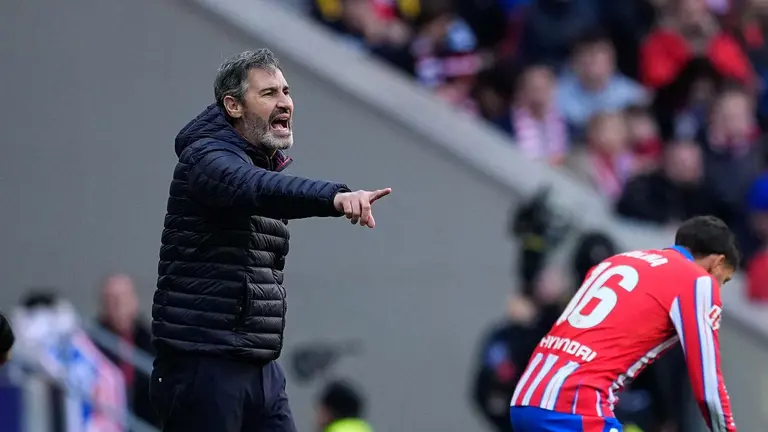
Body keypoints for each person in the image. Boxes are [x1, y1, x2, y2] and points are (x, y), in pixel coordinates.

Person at [150, 48, 391, 432]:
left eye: (286, 91)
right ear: (233, 106)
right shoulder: (205, 158)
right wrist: (335, 197)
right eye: (269, 94)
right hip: (205, 364)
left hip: (259, 365)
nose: (285, 103)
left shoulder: (258, 162)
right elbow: (256, 189)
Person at [510, 215, 739, 432]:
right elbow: (709, 388)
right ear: (717, 263)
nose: (719, 288)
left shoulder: (616, 261)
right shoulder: (698, 281)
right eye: (724, 280)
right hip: (575, 406)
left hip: (526, 397)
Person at [93, 274, 158, 426]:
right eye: (111, 299)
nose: (118, 305)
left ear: (134, 301)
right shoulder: (93, 344)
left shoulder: (152, 343)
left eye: (123, 298)